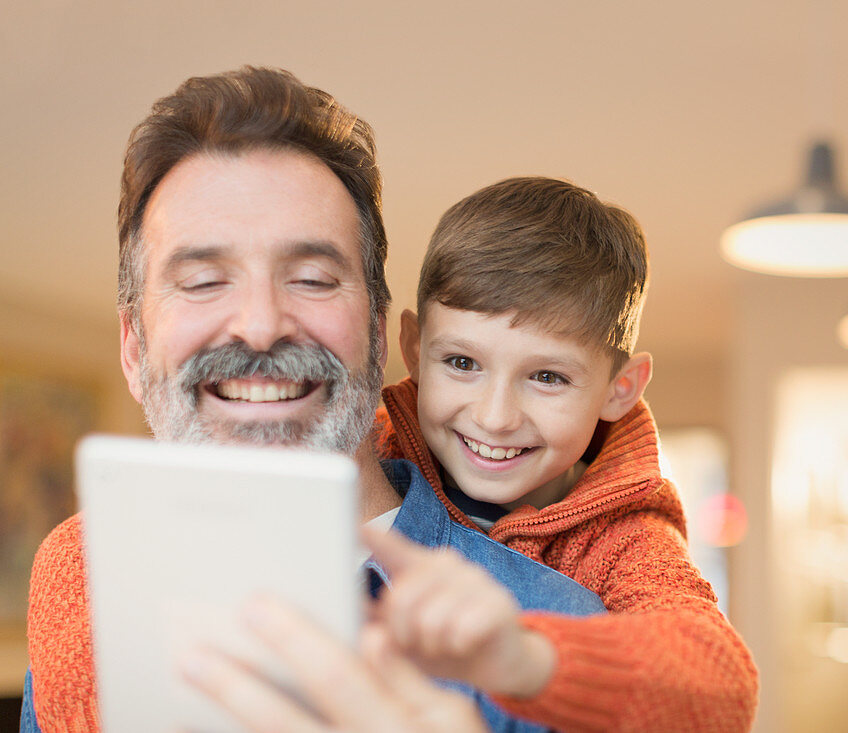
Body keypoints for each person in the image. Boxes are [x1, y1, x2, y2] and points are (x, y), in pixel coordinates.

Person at [20, 67, 606, 733]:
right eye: (205, 280)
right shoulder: (83, 602)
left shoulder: (558, 635)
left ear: (381, 331)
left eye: (312, 278)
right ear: (133, 348)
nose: (262, 324)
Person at [371, 176, 760, 731]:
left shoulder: (620, 537)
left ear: (619, 389)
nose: (494, 416)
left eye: (547, 376)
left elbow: (721, 683)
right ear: (413, 348)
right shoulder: (368, 451)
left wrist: (525, 660)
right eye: (462, 363)